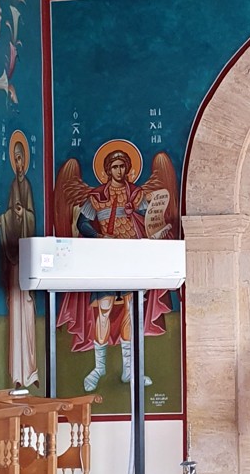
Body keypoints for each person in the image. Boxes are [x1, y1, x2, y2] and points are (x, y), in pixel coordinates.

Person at [54, 147, 176, 392]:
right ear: (108, 170)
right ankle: (99, 368)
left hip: (132, 259)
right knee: (104, 310)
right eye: (115, 167)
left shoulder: (137, 195)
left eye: (122, 166)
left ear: (127, 169)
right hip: (106, 259)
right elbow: (82, 223)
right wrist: (100, 236)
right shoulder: (96, 196)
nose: (119, 171)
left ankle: (129, 370)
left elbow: (151, 219)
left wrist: (156, 226)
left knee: (131, 311)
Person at [0, 135, 38, 388]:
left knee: (27, 306)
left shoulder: (27, 185)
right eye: (16, 158)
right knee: (15, 307)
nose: (19, 163)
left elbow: (31, 217)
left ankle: (30, 370)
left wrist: (23, 214)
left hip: (26, 257)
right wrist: (5, 218)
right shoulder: (13, 185)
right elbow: (13, 211)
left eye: (21, 158)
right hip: (15, 256)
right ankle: (17, 374)